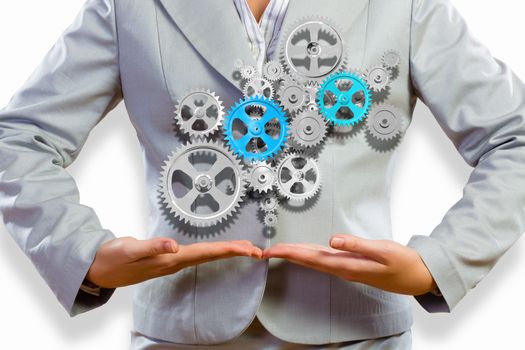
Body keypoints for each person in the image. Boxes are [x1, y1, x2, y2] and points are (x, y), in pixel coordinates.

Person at [0, 0, 524, 349]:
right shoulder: (128, 6)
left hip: (357, 331)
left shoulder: (405, 5)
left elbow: (513, 138)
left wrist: (438, 264)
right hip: (183, 332)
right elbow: (18, 140)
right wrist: (84, 256)